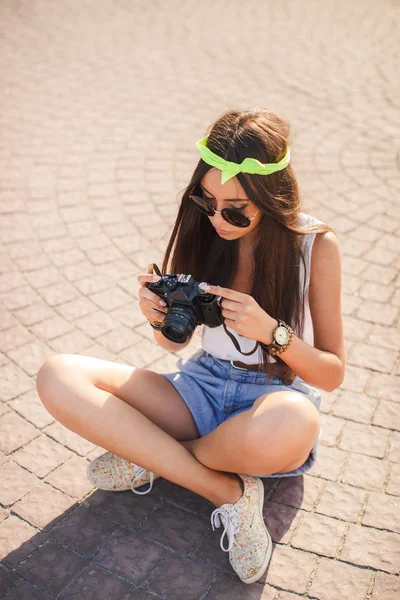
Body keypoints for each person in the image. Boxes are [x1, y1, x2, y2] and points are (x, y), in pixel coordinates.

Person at [36, 107, 345, 585]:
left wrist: (272, 332)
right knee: (57, 375)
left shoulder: (315, 247)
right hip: (199, 387)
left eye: (236, 208)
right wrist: (157, 318)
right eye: (206, 202)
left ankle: (155, 457)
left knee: (295, 422)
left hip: (273, 400)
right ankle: (228, 493)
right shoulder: (205, 233)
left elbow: (331, 373)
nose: (218, 218)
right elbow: (168, 345)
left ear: (271, 195)